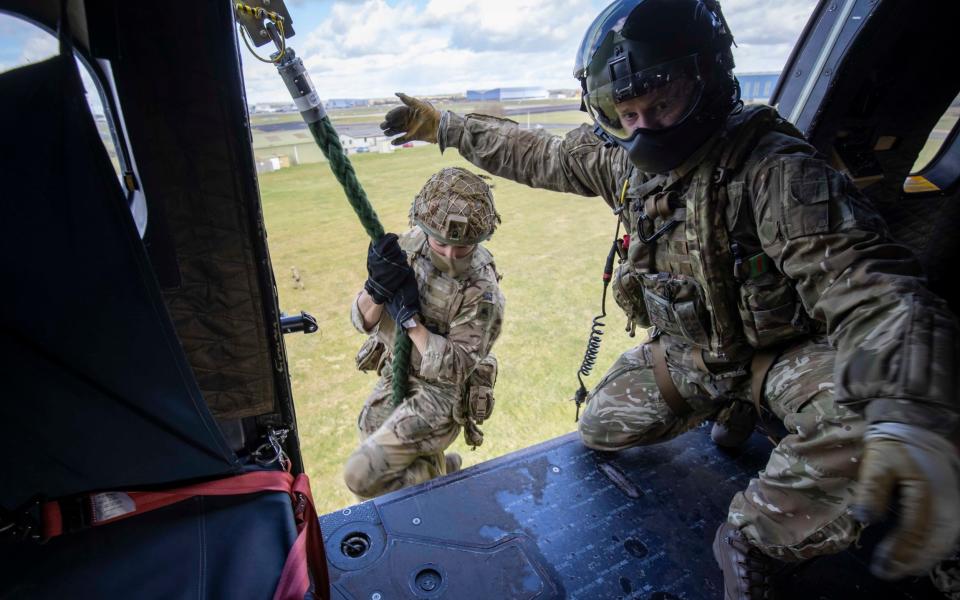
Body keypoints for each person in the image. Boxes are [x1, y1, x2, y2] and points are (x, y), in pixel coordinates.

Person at [378, 0, 960, 597]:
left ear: (707, 80)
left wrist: (910, 404)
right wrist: (443, 127)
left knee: (865, 416)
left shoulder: (775, 171)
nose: (644, 128)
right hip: (691, 356)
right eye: (625, 113)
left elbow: (874, 292)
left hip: (786, 356)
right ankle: (733, 408)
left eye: (662, 104)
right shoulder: (625, 163)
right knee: (602, 427)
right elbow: (537, 152)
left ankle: (754, 539)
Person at [343, 167, 505, 500]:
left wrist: (411, 323)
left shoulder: (482, 290)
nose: (449, 255)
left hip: (441, 394)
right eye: (440, 243)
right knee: (371, 431)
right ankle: (438, 473)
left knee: (360, 477)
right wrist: (375, 291)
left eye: (462, 247)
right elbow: (361, 322)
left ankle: (435, 483)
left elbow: (458, 366)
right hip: (398, 370)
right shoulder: (408, 248)